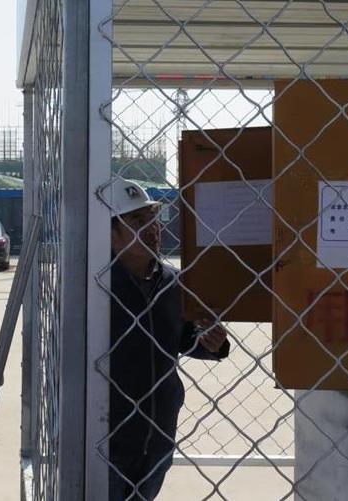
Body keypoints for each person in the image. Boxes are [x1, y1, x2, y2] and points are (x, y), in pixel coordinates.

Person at [108, 177, 229, 500]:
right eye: (137, 220)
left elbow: (185, 339)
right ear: (111, 234)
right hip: (108, 438)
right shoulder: (97, 288)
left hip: (158, 433)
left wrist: (210, 343)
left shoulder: (174, 283)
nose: (152, 228)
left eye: (153, 218)